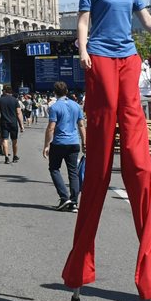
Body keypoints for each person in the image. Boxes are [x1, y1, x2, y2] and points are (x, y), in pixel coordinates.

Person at [62, 0, 151, 301]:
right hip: (100, 56)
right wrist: (82, 49)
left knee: (131, 122)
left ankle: (136, 157)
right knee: (106, 115)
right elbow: (83, 21)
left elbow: (145, 19)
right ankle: (99, 158)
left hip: (127, 57)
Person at [43, 81, 85, 211]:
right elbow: (81, 125)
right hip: (73, 142)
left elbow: (51, 128)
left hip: (59, 142)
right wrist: (84, 142)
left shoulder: (55, 107)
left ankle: (64, 196)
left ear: (54, 93)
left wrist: (46, 145)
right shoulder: (76, 106)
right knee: (73, 172)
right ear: (67, 91)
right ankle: (74, 202)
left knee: (54, 168)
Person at [0, 86, 24, 163]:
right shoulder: (15, 100)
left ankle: (6, 157)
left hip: (3, 123)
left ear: (4, 91)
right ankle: (15, 156)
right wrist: (21, 125)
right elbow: (18, 113)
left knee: (5, 140)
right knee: (14, 140)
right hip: (13, 123)